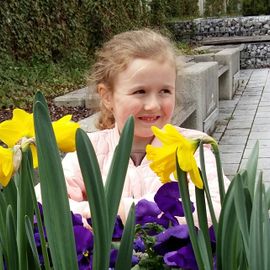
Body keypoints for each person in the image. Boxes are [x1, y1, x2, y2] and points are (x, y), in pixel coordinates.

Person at [61, 29, 229, 225]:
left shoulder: (191, 147)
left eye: (165, 91)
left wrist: (110, 212)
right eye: (140, 91)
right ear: (107, 96)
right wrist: (155, 211)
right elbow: (47, 203)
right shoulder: (88, 152)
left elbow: (217, 207)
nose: (153, 105)